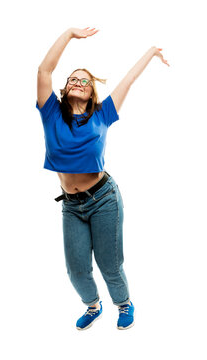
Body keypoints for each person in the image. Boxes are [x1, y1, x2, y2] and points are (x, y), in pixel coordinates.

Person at [36, 27, 169, 330]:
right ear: (65, 87)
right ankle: (93, 306)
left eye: (86, 80)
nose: (79, 82)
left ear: (92, 90)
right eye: (74, 78)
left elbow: (129, 80)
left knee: (110, 265)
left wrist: (151, 51)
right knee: (77, 270)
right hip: (71, 205)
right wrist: (70, 34)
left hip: (104, 198)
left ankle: (124, 304)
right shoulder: (50, 113)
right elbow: (44, 69)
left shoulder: (102, 114)